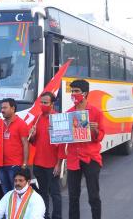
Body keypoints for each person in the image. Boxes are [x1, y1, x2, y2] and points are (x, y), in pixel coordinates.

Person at [62, 79, 105, 219]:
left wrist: (96, 130)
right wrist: (56, 132)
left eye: (76, 91)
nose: (73, 94)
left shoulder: (96, 112)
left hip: (90, 158)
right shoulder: (68, 113)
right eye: (72, 91)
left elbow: (101, 136)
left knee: (93, 196)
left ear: (85, 93)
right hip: (73, 159)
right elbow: (63, 137)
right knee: (73, 197)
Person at [29, 92, 62, 219]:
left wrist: (59, 164)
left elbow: (62, 145)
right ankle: (45, 216)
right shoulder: (37, 118)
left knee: (55, 193)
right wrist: (32, 135)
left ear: (52, 104)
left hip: (52, 164)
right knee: (42, 193)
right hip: (38, 163)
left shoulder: (58, 118)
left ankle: (57, 217)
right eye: (41, 102)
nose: (42, 105)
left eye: (45, 103)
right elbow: (33, 142)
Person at [0, 98, 29, 194]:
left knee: (16, 191)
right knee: (6, 192)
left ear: (13, 108)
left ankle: (17, 209)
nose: (2, 110)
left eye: (5, 108)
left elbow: (25, 144)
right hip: (1, 165)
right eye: (1, 108)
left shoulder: (21, 124)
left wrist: (24, 163)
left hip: (15, 165)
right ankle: (9, 209)